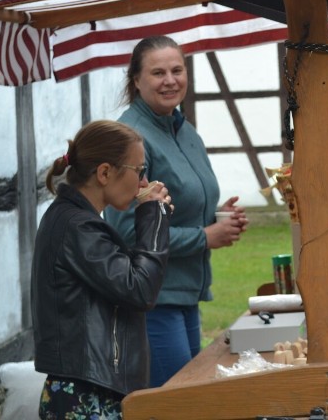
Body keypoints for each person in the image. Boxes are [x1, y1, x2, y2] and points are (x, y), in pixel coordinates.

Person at [105, 35, 249, 387]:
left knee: (189, 395)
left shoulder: (182, 129)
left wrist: (213, 217)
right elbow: (127, 231)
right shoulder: (131, 139)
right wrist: (204, 237)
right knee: (175, 402)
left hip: (183, 293)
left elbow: (165, 209)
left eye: (177, 70)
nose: (170, 80)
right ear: (136, 81)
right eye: (157, 73)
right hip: (154, 300)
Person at [32, 120, 171, 418]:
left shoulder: (77, 220)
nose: (144, 184)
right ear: (105, 172)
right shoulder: (77, 226)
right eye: (139, 171)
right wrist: (152, 216)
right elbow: (140, 289)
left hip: (90, 387)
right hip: (86, 394)